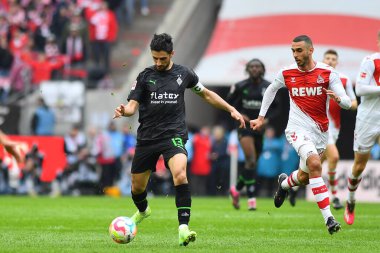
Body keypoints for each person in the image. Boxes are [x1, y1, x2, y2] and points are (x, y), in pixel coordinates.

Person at [113, 33, 245, 246]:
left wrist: (231, 109)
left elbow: (207, 94)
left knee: (180, 174)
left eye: (162, 58)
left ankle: (183, 227)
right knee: (137, 188)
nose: (158, 62)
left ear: (172, 54)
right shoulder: (145, 77)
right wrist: (124, 111)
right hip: (147, 138)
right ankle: (143, 211)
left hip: (173, 135)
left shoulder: (184, 74)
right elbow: (132, 106)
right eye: (154, 58)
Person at [250, 35, 351, 235]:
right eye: (293, 51)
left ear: (310, 50)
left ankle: (284, 184)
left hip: (320, 132)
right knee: (315, 164)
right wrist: (261, 118)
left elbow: (347, 102)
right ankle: (329, 219)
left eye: (299, 50)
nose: (295, 55)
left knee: (305, 177)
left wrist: (339, 99)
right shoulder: (287, 73)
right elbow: (270, 90)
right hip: (296, 129)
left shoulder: (328, 73)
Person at [344, 32, 380, 225]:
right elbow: (360, 89)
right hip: (368, 120)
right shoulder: (371, 61)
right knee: (359, 166)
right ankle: (350, 201)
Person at [227, 58, 271, 211]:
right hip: (244, 127)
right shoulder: (240, 86)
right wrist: (240, 114)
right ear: (247, 69)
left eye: (257, 66)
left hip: (259, 128)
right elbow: (228, 104)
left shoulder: (269, 87)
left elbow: (278, 108)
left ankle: (236, 189)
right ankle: (251, 198)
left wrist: (265, 121)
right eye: (251, 66)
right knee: (251, 160)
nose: (254, 69)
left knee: (252, 164)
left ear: (262, 69)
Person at [321, 49, 357, 209]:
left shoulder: (343, 79)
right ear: (323, 59)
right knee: (334, 157)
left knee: (313, 165)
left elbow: (354, 103)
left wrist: (341, 100)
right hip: (318, 126)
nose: (330, 61)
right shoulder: (316, 77)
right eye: (327, 58)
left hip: (334, 128)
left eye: (333, 59)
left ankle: (291, 186)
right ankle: (334, 196)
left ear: (337, 62)